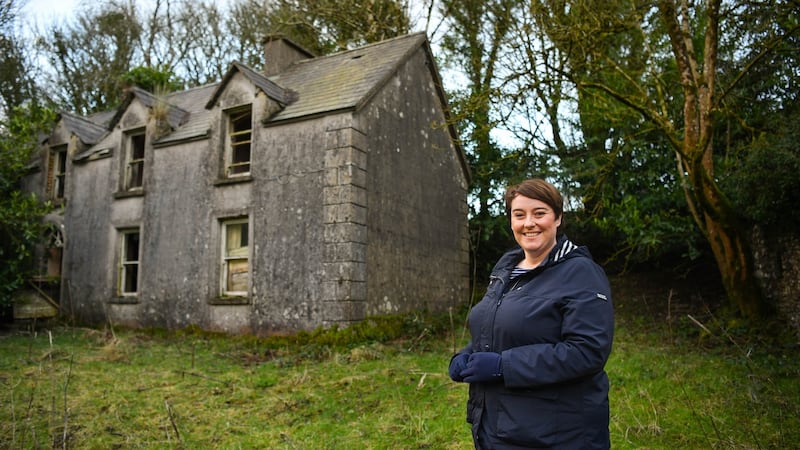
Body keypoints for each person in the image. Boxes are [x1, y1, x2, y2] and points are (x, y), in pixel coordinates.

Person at [449, 178, 614, 450]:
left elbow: (587, 351)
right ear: (511, 221)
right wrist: (468, 355)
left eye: (539, 213)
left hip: (557, 434)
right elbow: (502, 328)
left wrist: (503, 366)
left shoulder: (581, 273)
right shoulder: (506, 269)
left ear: (558, 218)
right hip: (496, 425)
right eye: (519, 215)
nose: (529, 223)